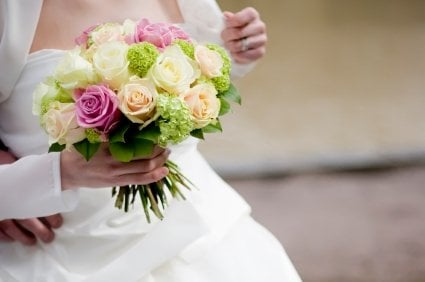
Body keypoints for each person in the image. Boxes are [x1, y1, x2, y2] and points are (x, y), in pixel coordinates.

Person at [0, 0, 302, 281]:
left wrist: (235, 50)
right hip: (57, 254)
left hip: (205, 231)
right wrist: (52, 176)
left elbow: (204, 72)